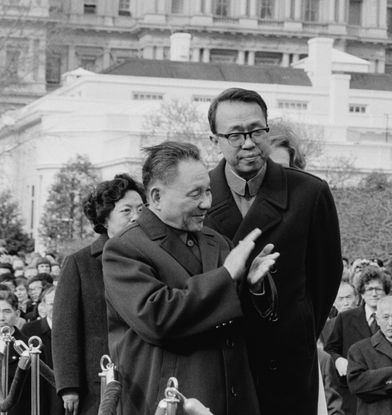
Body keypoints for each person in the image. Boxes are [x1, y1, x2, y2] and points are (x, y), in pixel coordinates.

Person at [102, 141, 279, 415]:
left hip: (232, 399)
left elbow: (239, 319)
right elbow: (157, 317)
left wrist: (253, 287)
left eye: (209, 191)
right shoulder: (124, 249)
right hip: (170, 401)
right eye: (195, 194)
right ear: (157, 197)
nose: (207, 203)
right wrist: (227, 276)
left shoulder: (216, 241)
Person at [204, 88, 342, 415]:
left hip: (287, 362)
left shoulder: (310, 193)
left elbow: (325, 278)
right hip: (220, 359)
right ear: (215, 141)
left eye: (256, 131)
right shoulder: (200, 196)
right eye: (235, 134)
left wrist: (297, 329)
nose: (249, 142)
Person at [52, 173, 146, 415]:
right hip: (100, 383)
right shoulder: (79, 263)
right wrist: (69, 386)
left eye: (141, 209)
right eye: (126, 211)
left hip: (145, 375)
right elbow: (65, 329)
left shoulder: (154, 257)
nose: (137, 217)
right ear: (105, 218)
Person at [326, 267, 391, 415]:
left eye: (378, 289)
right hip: (354, 392)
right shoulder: (345, 318)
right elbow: (330, 348)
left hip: (385, 392)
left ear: (386, 291)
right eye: (369, 289)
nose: (374, 293)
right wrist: (338, 360)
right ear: (361, 292)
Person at [346, 295, 392, 415]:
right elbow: (356, 384)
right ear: (377, 319)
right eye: (385, 317)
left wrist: (377, 385)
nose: (391, 323)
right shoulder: (359, 349)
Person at [22, 286, 63, 415]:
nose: (56, 306)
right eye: (52, 303)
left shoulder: (77, 328)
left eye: (61, 302)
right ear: (43, 306)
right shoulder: (30, 330)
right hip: (39, 393)